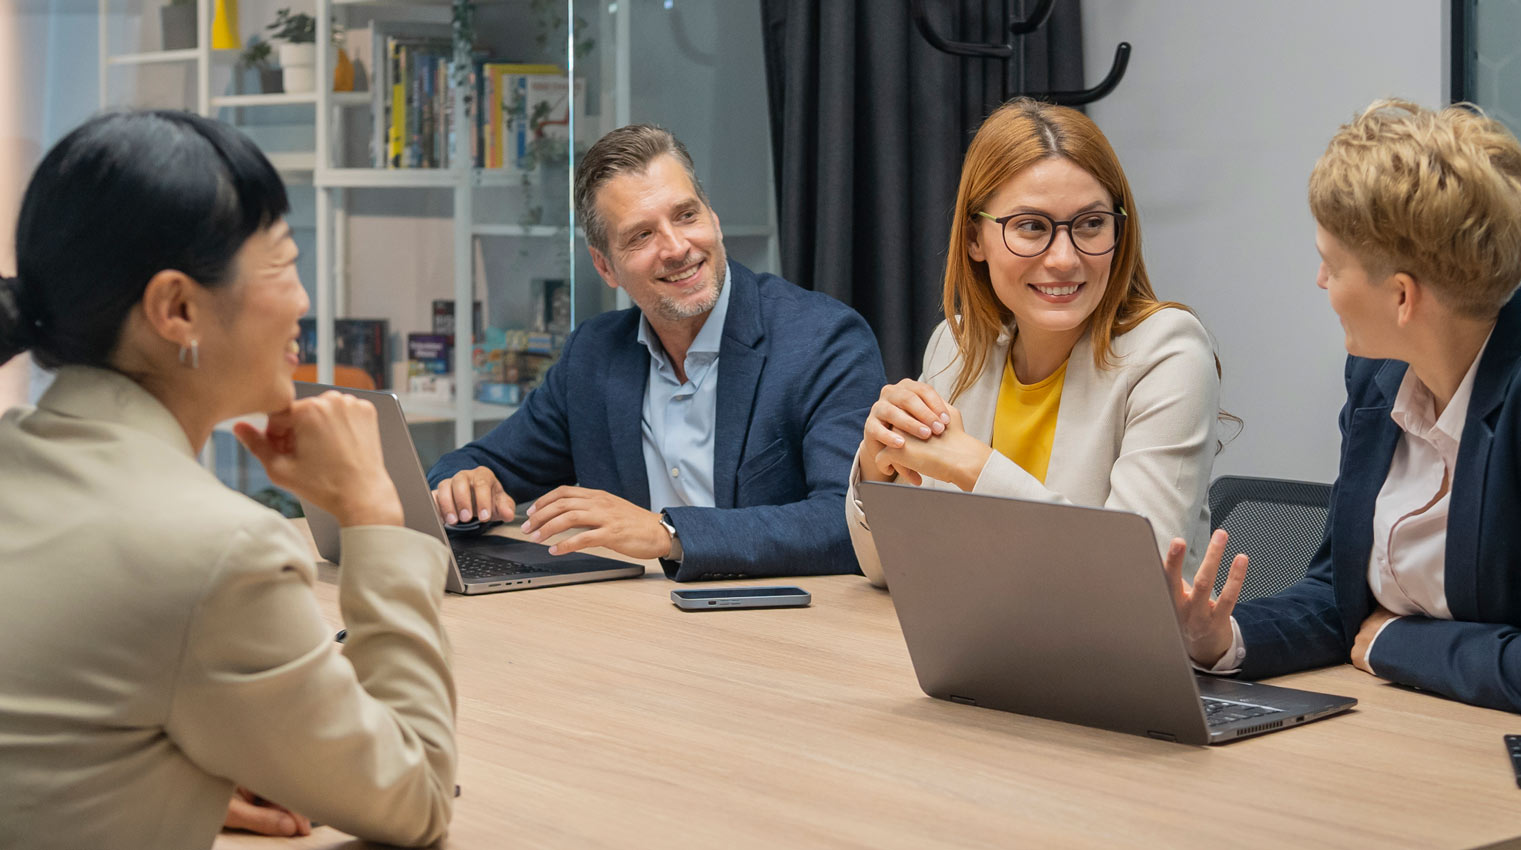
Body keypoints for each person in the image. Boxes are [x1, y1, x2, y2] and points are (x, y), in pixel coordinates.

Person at [1163, 99, 1521, 849]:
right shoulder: (1378, 373)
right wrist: (1223, 640)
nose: (1318, 280)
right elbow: (1345, 598)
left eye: (1331, 261)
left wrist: (1390, 645)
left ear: (1402, 295)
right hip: (1434, 756)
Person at [0, 111, 455, 849]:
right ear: (178, 309)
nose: (303, 301)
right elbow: (419, 797)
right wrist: (373, 512)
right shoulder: (217, 549)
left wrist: (158, 770)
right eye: (283, 264)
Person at [427, 124, 885, 581]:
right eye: (641, 235)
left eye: (686, 215)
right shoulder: (594, 354)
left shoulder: (824, 339)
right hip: (639, 626)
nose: (676, 248)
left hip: (784, 632)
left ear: (715, 220)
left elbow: (849, 523)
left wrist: (668, 533)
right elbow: (476, 465)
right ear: (605, 266)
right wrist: (464, 487)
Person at [848, 98, 1222, 587]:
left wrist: (972, 466)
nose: (1065, 258)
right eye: (1030, 227)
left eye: (1091, 224)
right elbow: (884, 572)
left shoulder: (1168, 352)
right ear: (974, 240)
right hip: (984, 641)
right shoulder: (956, 345)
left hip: (1116, 659)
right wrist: (880, 470)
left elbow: (1131, 581)